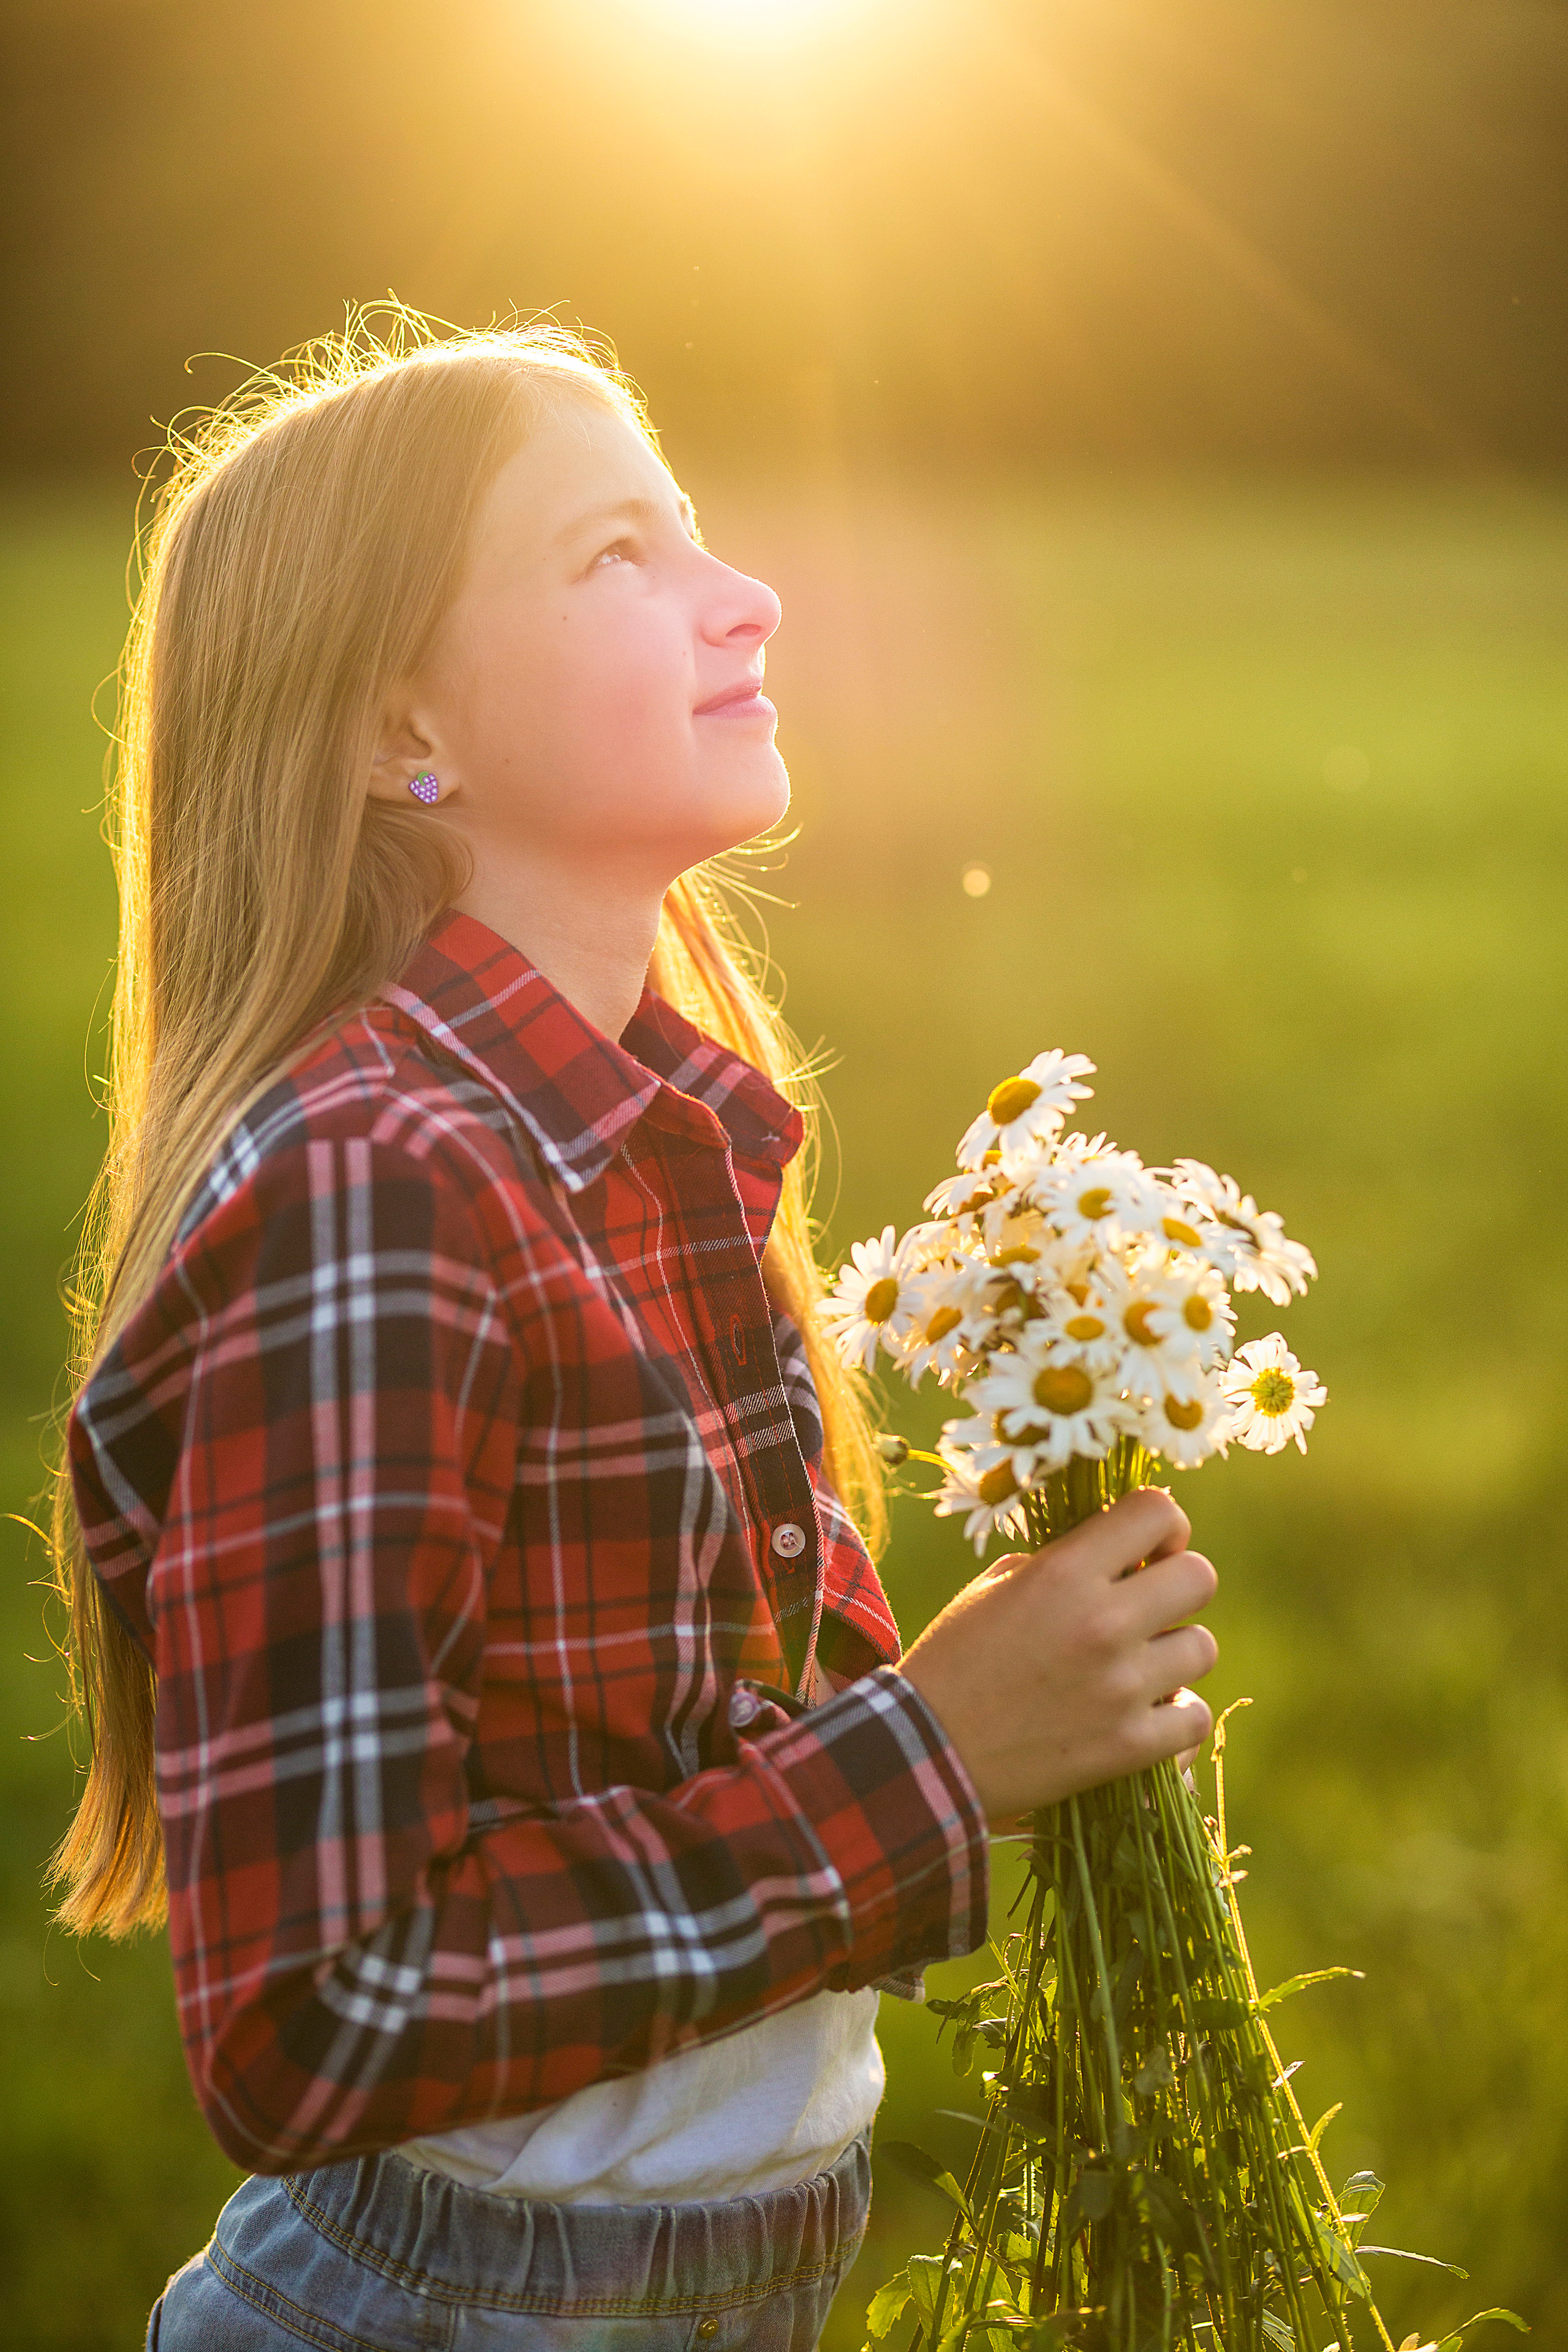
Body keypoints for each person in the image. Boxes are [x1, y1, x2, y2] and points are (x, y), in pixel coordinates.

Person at [50, 315, 1219, 2351]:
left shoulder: (658, 1142)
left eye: (693, 532)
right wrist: (931, 1762)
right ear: (394, 722)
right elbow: (314, 2024)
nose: (745, 594)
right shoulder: (382, 1190)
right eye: (616, 555)